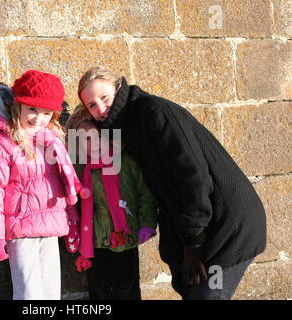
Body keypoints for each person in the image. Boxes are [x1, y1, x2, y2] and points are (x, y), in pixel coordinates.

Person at [76, 66, 267, 300]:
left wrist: (194, 242)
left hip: (226, 226)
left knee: (208, 296)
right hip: (200, 230)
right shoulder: (125, 128)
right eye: (91, 105)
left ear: (118, 88)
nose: (100, 109)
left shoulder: (154, 112)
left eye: (104, 97)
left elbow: (193, 178)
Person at [0, 70, 86, 300]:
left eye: (46, 113)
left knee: (51, 293)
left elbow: (65, 183)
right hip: (22, 230)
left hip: (51, 227)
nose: (38, 119)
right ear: (18, 106)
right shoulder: (2, 141)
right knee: (29, 294)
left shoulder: (52, 139)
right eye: (32, 110)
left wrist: (72, 222)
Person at [65, 106, 158, 300]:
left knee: (127, 290)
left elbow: (144, 193)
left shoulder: (125, 161)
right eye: (86, 140)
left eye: (96, 135)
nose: (94, 143)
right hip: (95, 242)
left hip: (126, 238)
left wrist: (147, 223)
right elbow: (73, 204)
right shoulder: (80, 169)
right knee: (99, 291)